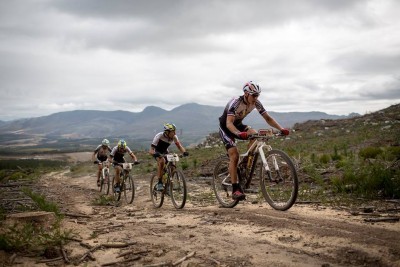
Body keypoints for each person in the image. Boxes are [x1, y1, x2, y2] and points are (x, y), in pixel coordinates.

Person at [218, 81, 290, 201]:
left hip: (238, 125)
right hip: (226, 127)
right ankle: (235, 189)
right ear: (246, 94)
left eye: (258, 95)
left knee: (254, 134)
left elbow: (267, 118)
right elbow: (229, 123)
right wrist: (238, 133)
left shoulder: (256, 103)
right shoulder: (236, 103)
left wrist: (281, 129)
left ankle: (246, 163)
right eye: (254, 95)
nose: (256, 98)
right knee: (234, 156)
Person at [149, 123, 189, 191]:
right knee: (162, 161)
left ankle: (169, 183)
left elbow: (179, 146)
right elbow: (151, 150)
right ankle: (160, 183)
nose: (175, 133)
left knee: (173, 163)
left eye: (175, 131)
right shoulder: (159, 136)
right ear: (167, 132)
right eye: (173, 131)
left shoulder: (174, 137)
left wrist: (184, 152)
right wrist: (155, 154)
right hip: (157, 151)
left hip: (165, 151)